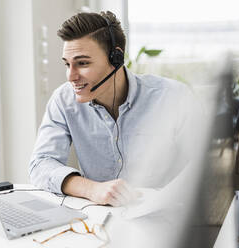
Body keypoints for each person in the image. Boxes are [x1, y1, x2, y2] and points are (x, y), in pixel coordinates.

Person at [29, 11, 197, 207]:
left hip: (164, 219)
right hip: (98, 219)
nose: (71, 76)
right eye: (68, 64)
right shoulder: (63, 101)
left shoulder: (173, 97)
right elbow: (40, 165)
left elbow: (205, 166)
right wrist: (93, 189)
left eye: (82, 63)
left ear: (116, 58)